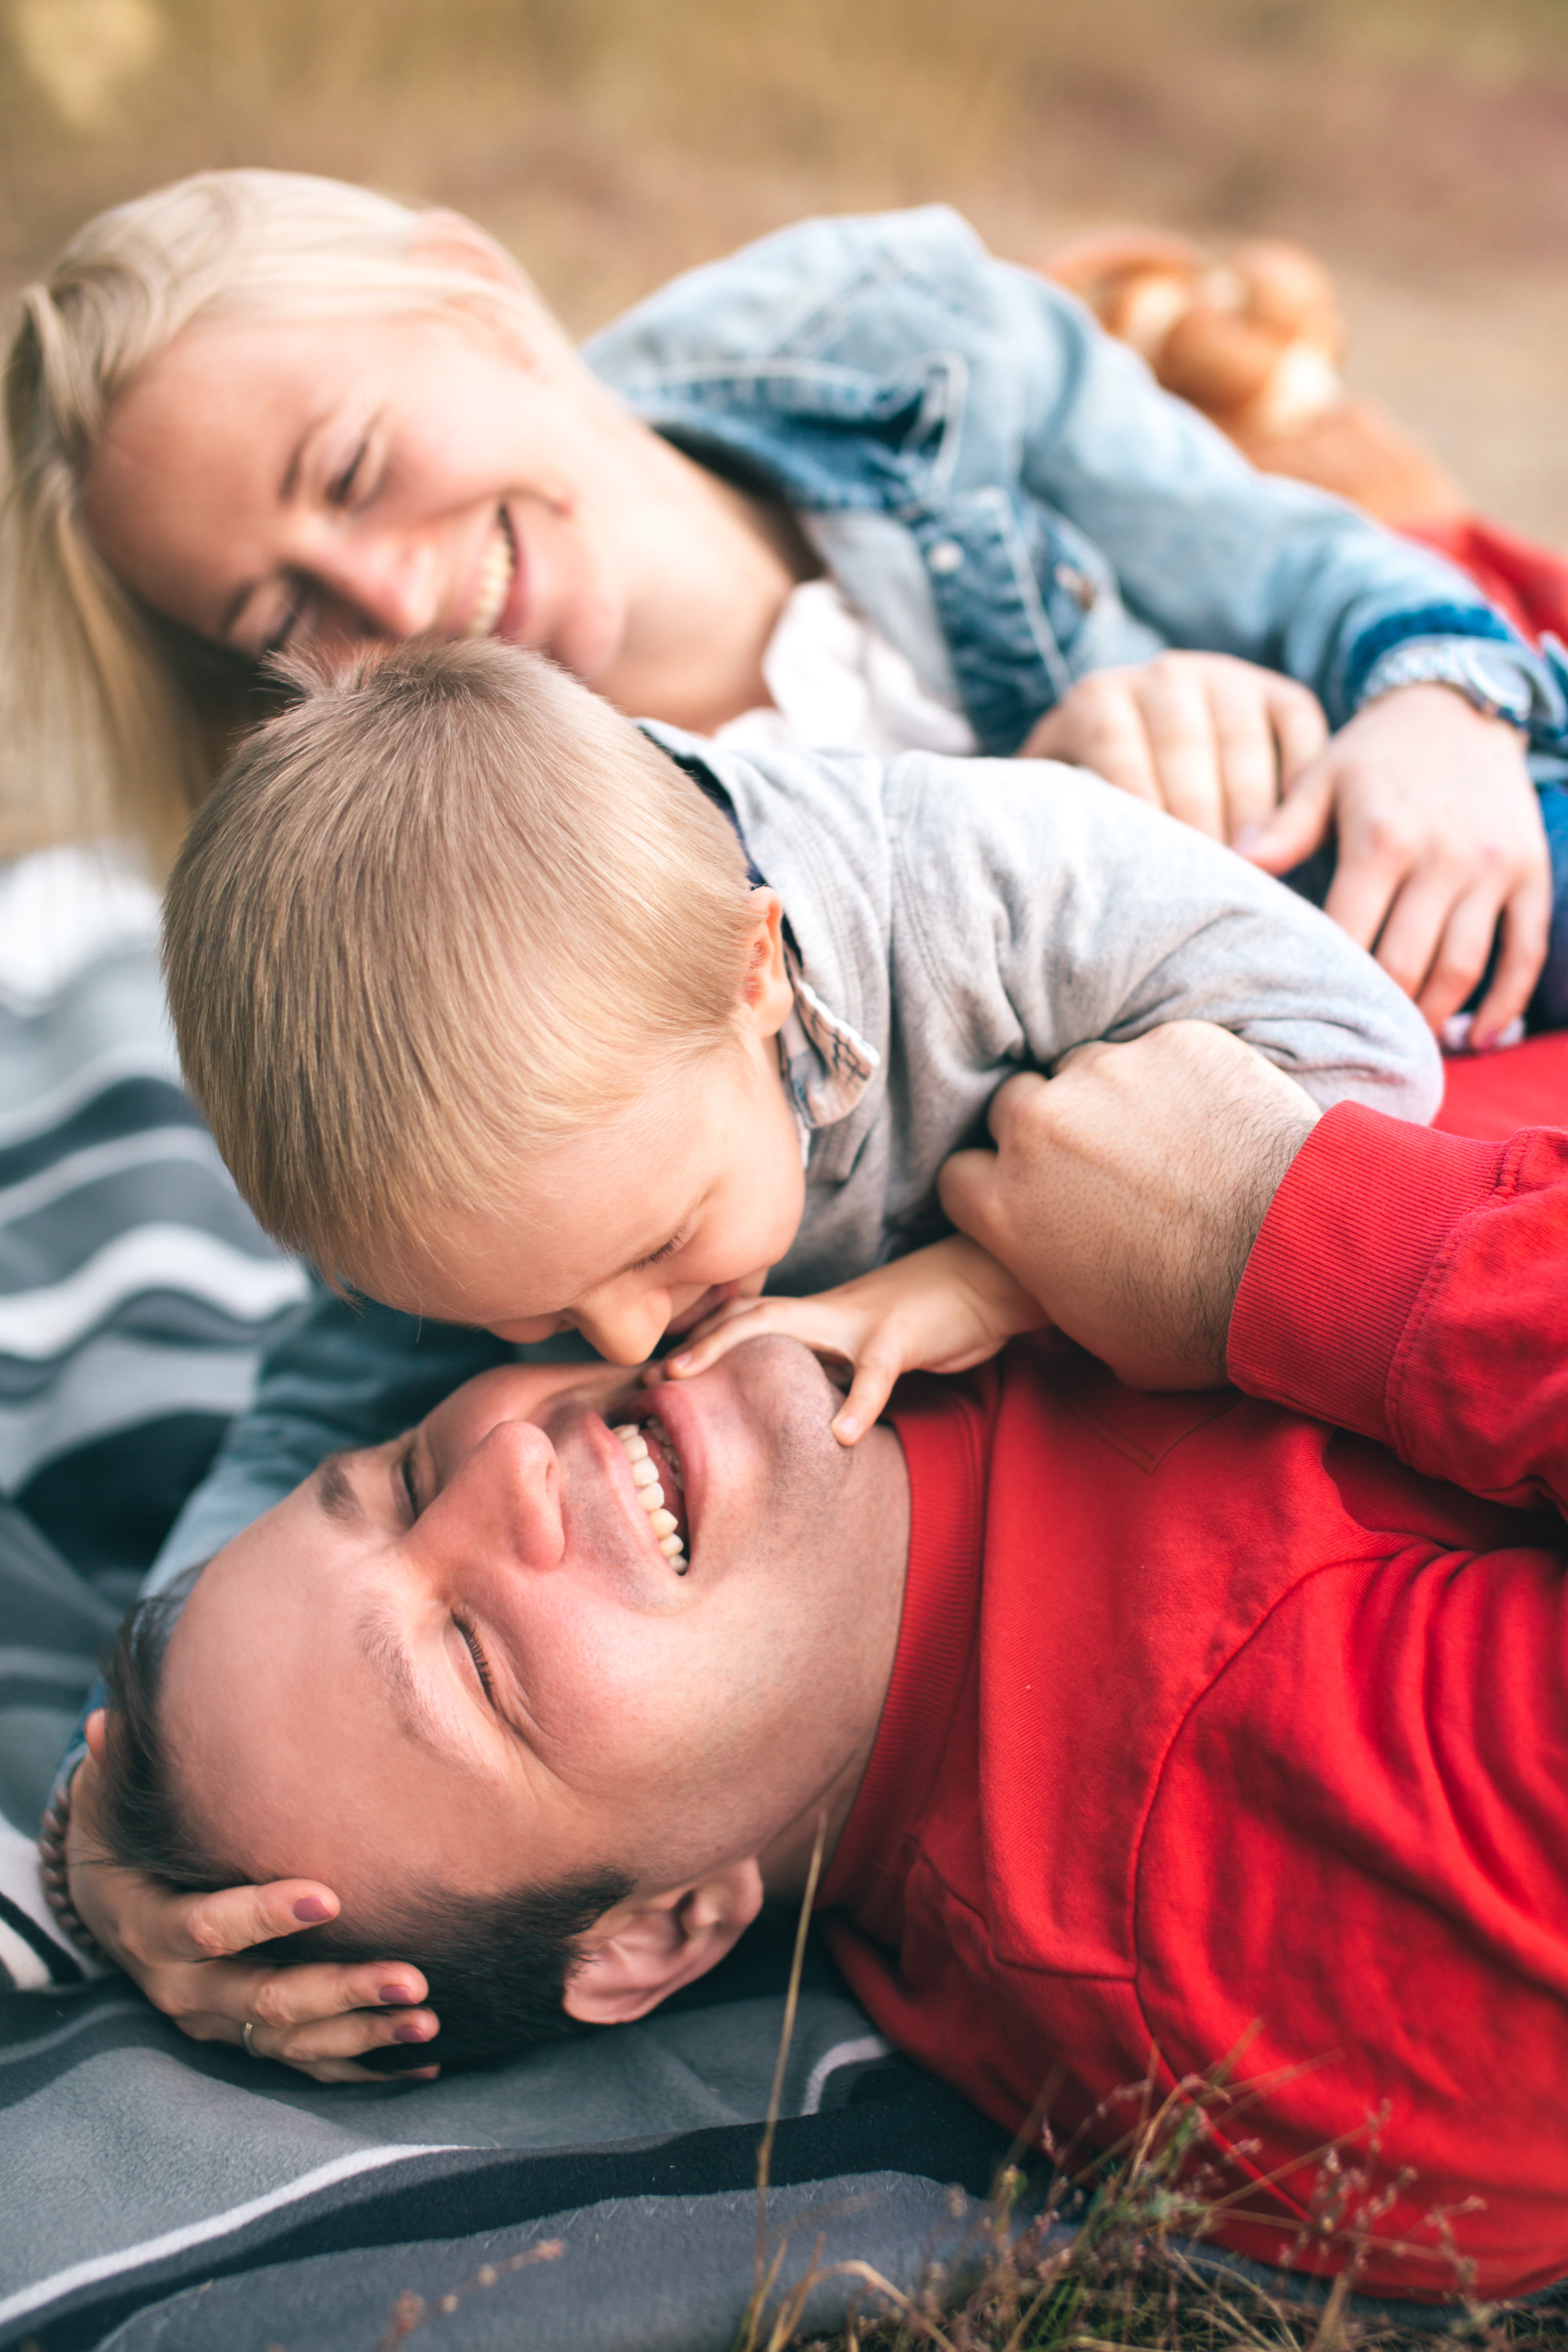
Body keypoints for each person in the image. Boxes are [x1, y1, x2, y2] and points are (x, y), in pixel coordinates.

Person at [70, 1022, 1568, 2304]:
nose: (509, 1464)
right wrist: (1289, 1235)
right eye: (469, 1662)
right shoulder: (1239, 1890)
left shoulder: (714, 1236)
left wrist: (104, 1835)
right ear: (654, 1935)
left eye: (398, 1479)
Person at [5, 170, 1567, 1044]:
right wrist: (1041, 789)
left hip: (1351, 895)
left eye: (351, 468)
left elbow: (1291, 562)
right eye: (281, 614)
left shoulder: (883, 334)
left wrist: (1438, 706)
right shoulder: (472, 874)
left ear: (471, 295)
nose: (395, 594)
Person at [160, 634, 1437, 1441]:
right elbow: (315, 1413)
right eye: (527, 1315)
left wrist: (981, 1286)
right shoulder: (491, 1194)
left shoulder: (981, 883)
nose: (618, 1339)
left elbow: (1374, 1056)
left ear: (753, 968)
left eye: (658, 1242)